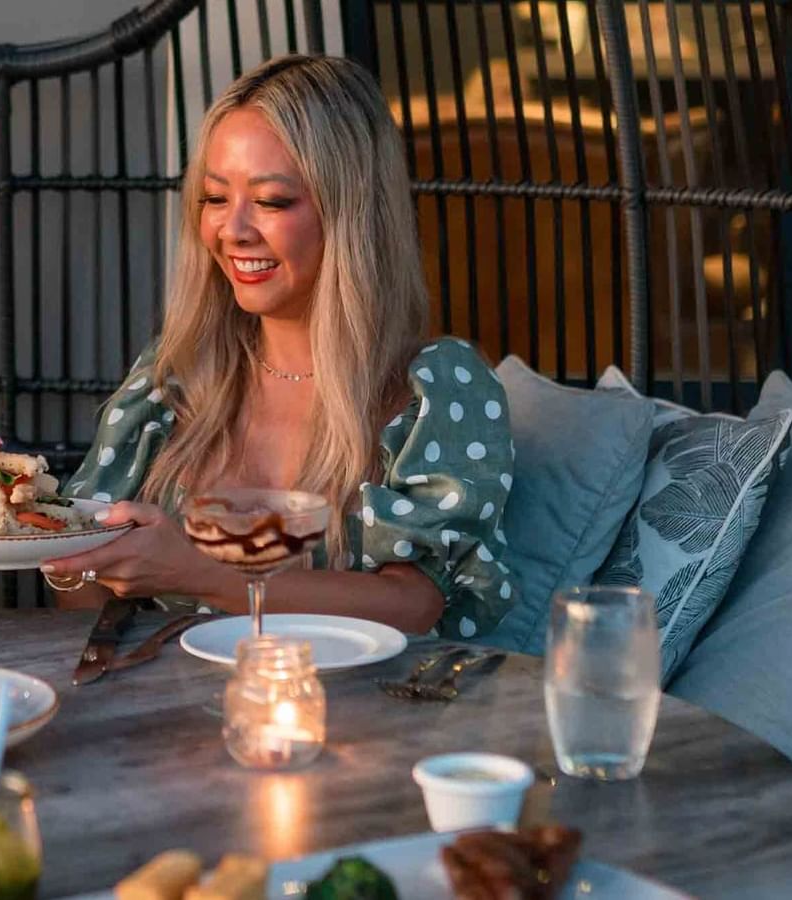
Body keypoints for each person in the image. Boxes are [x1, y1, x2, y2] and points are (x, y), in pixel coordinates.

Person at [45, 56, 515, 640]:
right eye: (215, 198)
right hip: (169, 707)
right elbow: (82, 582)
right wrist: (68, 557)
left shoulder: (436, 387)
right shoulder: (176, 374)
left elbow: (414, 604)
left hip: (362, 716)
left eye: (271, 201)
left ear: (352, 213)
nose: (233, 230)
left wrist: (200, 575)